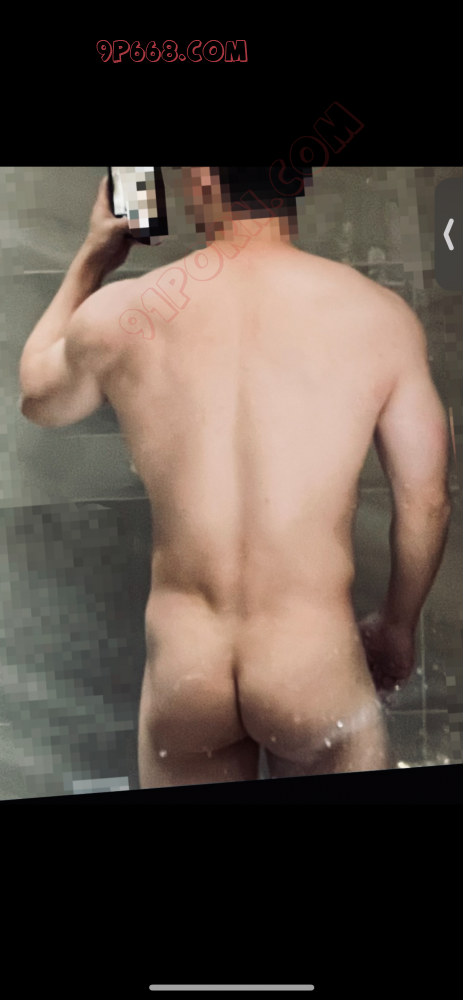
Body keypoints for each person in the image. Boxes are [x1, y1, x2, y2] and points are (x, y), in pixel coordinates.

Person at [18, 167, 452, 786]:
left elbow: (39, 398)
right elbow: (427, 501)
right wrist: (397, 627)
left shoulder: (126, 311)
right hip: (312, 661)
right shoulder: (378, 317)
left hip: (186, 668)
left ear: (201, 178)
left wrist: (93, 257)